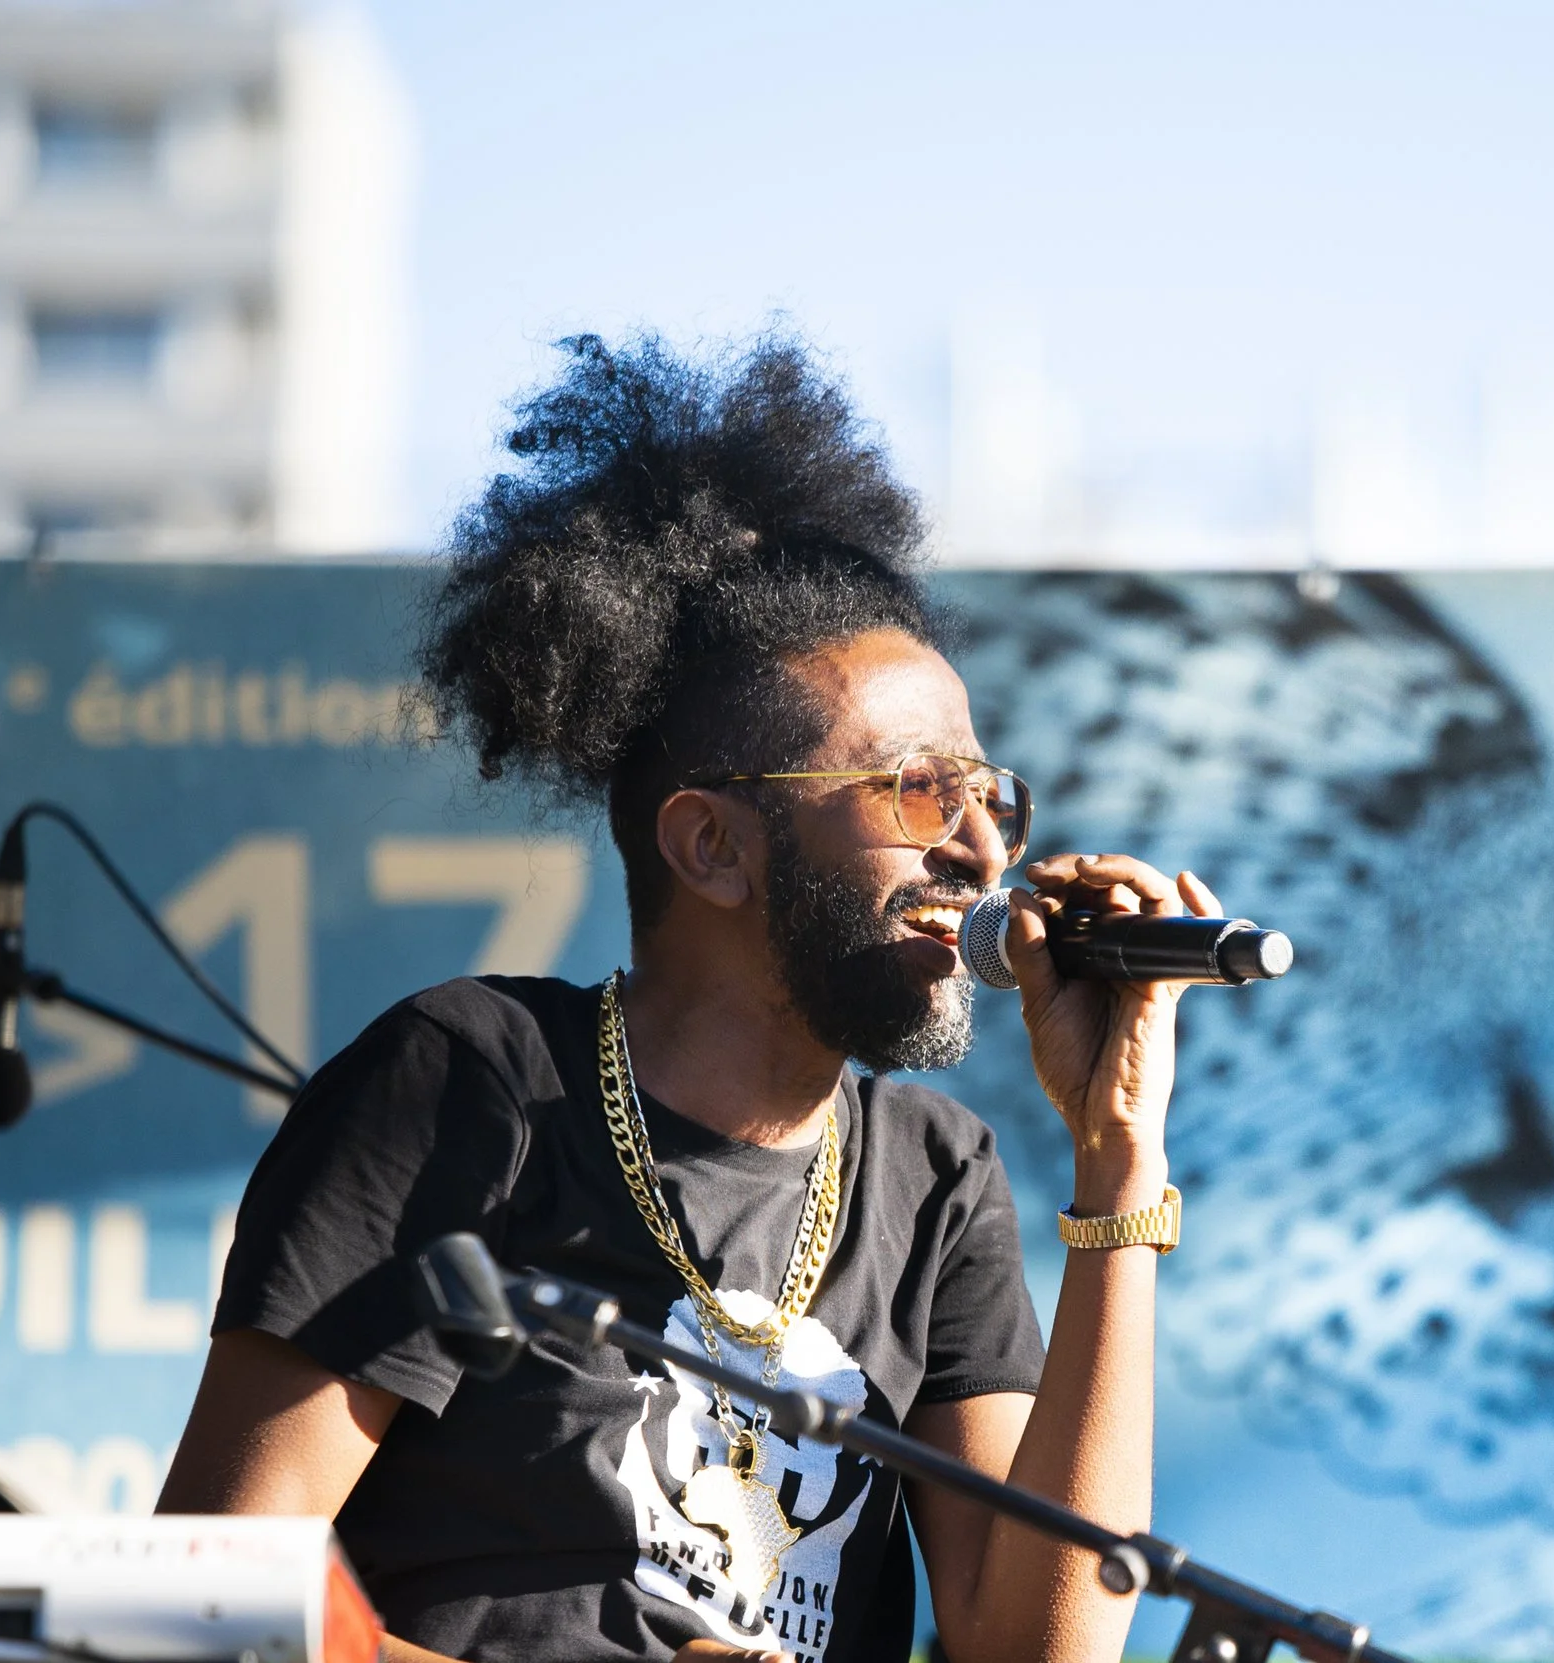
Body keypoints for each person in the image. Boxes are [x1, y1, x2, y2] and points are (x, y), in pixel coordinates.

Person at [157, 333, 1211, 1663]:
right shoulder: (467, 1083)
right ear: (711, 843)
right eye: (915, 790)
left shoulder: (936, 1179)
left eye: (990, 795)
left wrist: (1119, 1168)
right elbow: (195, 1608)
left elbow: (1042, 1654)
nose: (983, 847)